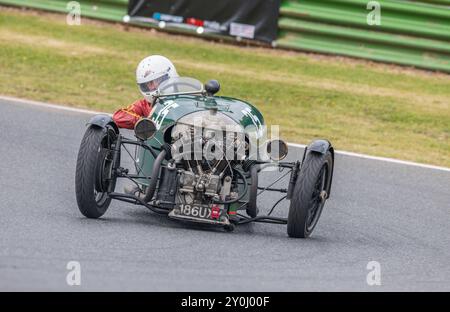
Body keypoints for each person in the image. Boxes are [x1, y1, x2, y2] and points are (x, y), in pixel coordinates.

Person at [112, 55, 178, 129]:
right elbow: (119, 116)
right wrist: (144, 122)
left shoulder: (184, 97)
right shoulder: (144, 105)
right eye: (148, 84)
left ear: (167, 77)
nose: (152, 87)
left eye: (156, 81)